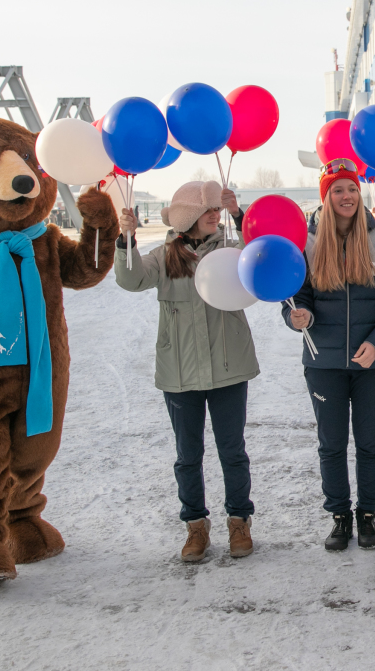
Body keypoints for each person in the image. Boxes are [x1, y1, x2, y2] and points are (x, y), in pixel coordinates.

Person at [114, 181, 260, 562]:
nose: (215, 214)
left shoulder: (230, 251)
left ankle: (238, 520)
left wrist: (238, 216)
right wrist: (125, 239)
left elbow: (260, 258)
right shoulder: (164, 257)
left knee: (232, 450)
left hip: (229, 367)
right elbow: (130, 279)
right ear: (189, 218)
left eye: (216, 209)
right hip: (179, 372)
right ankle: (195, 525)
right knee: (187, 454)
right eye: (208, 210)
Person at [284, 159, 375, 551]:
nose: (346, 196)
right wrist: (295, 316)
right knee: (332, 443)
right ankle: (339, 516)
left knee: (370, 442)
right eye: (337, 189)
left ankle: (367, 514)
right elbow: (294, 299)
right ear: (325, 196)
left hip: (373, 363)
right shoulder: (305, 244)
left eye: (352, 188)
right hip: (323, 363)